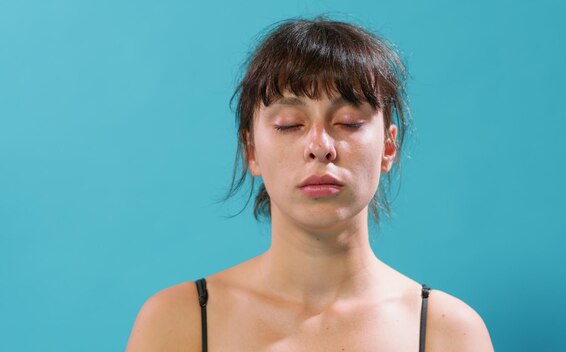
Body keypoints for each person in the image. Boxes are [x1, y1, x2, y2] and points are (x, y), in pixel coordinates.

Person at [126, 16, 494, 352]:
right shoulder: (179, 320)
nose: (320, 147)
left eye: (349, 122)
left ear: (388, 147)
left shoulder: (448, 333)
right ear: (251, 150)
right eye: (289, 124)